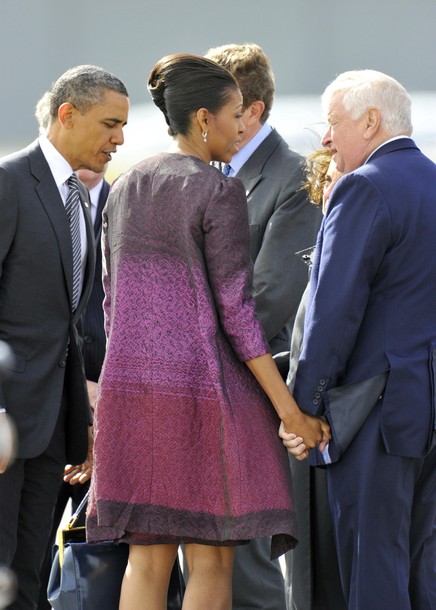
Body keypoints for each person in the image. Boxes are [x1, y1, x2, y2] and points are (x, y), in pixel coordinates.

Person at [86, 53, 329, 610]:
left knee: (146, 560)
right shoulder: (217, 190)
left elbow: (111, 304)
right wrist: (289, 412)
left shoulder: (125, 185)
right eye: (235, 115)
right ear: (203, 119)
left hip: (132, 396)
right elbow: (239, 316)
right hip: (201, 400)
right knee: (212, 559)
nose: (241, 127)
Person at [281, 69, 436, 609]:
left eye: (333, 122)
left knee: (374, 569)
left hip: (375, 415)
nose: (326, 138)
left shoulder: (362, 186)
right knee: (423, 571)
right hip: (425, 408)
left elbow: (332, 312)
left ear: (371, 121)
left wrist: (301, 410)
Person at [0, 65, 129, 609]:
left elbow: (67, 323)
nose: (119, 140)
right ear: (67, 114)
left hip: (52, 429)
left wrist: (83, 417)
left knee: (28, 579)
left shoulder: (78, 197)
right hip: (7, 426)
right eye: (110, 124)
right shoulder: (8, 182)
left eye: (122, 127)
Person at [204, 42, 322, 610]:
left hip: (255, 391)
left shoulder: (293, 178)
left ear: (251, 111)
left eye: (212, 107)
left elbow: (270, 300)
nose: (202, 120)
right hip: (209, 390)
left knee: (250, 568)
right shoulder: (207, 171)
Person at [284, 149, 347, 610]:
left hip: (331, 425)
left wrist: (299, 412)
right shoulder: (327, 239)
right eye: (327, 181)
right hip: (311, 426)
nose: (331, 190)